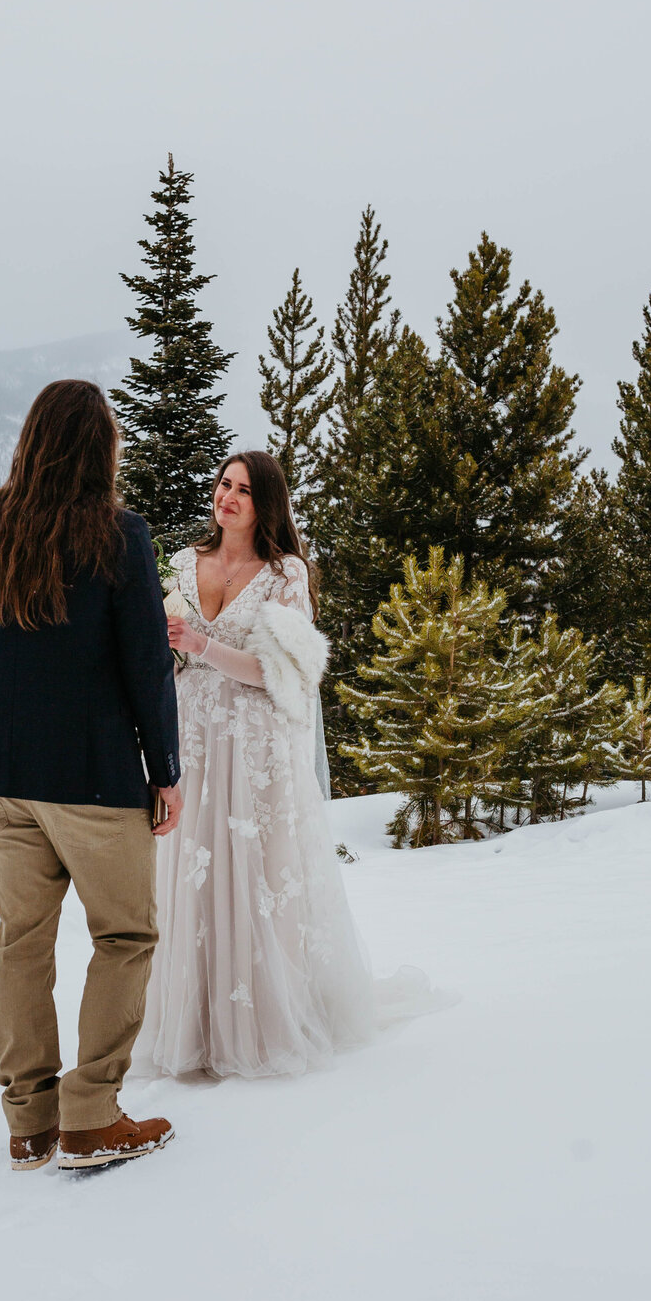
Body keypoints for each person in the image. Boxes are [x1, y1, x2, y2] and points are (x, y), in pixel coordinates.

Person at [0, 379, 184, 1171]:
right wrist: (163, 769)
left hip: (0, 777)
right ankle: (92, 1117)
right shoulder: (119, 535)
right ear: (100, 451)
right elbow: (146, 665)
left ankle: (29, 1122)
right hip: (94, 778)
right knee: (126, 934)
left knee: (22, 943)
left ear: (33, 440)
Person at [137, 450, 377, 1079]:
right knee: (191, 875)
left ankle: (260, 1025)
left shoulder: (283, 575)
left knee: (254, 875)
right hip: (192, 737)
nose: (228, 497)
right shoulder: (187, 563)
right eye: (224, 484)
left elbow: (280, 672)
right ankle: (191, 1023)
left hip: (255, 745)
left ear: (265, 503)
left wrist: (201, 644)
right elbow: (167, 654)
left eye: (244, 490)